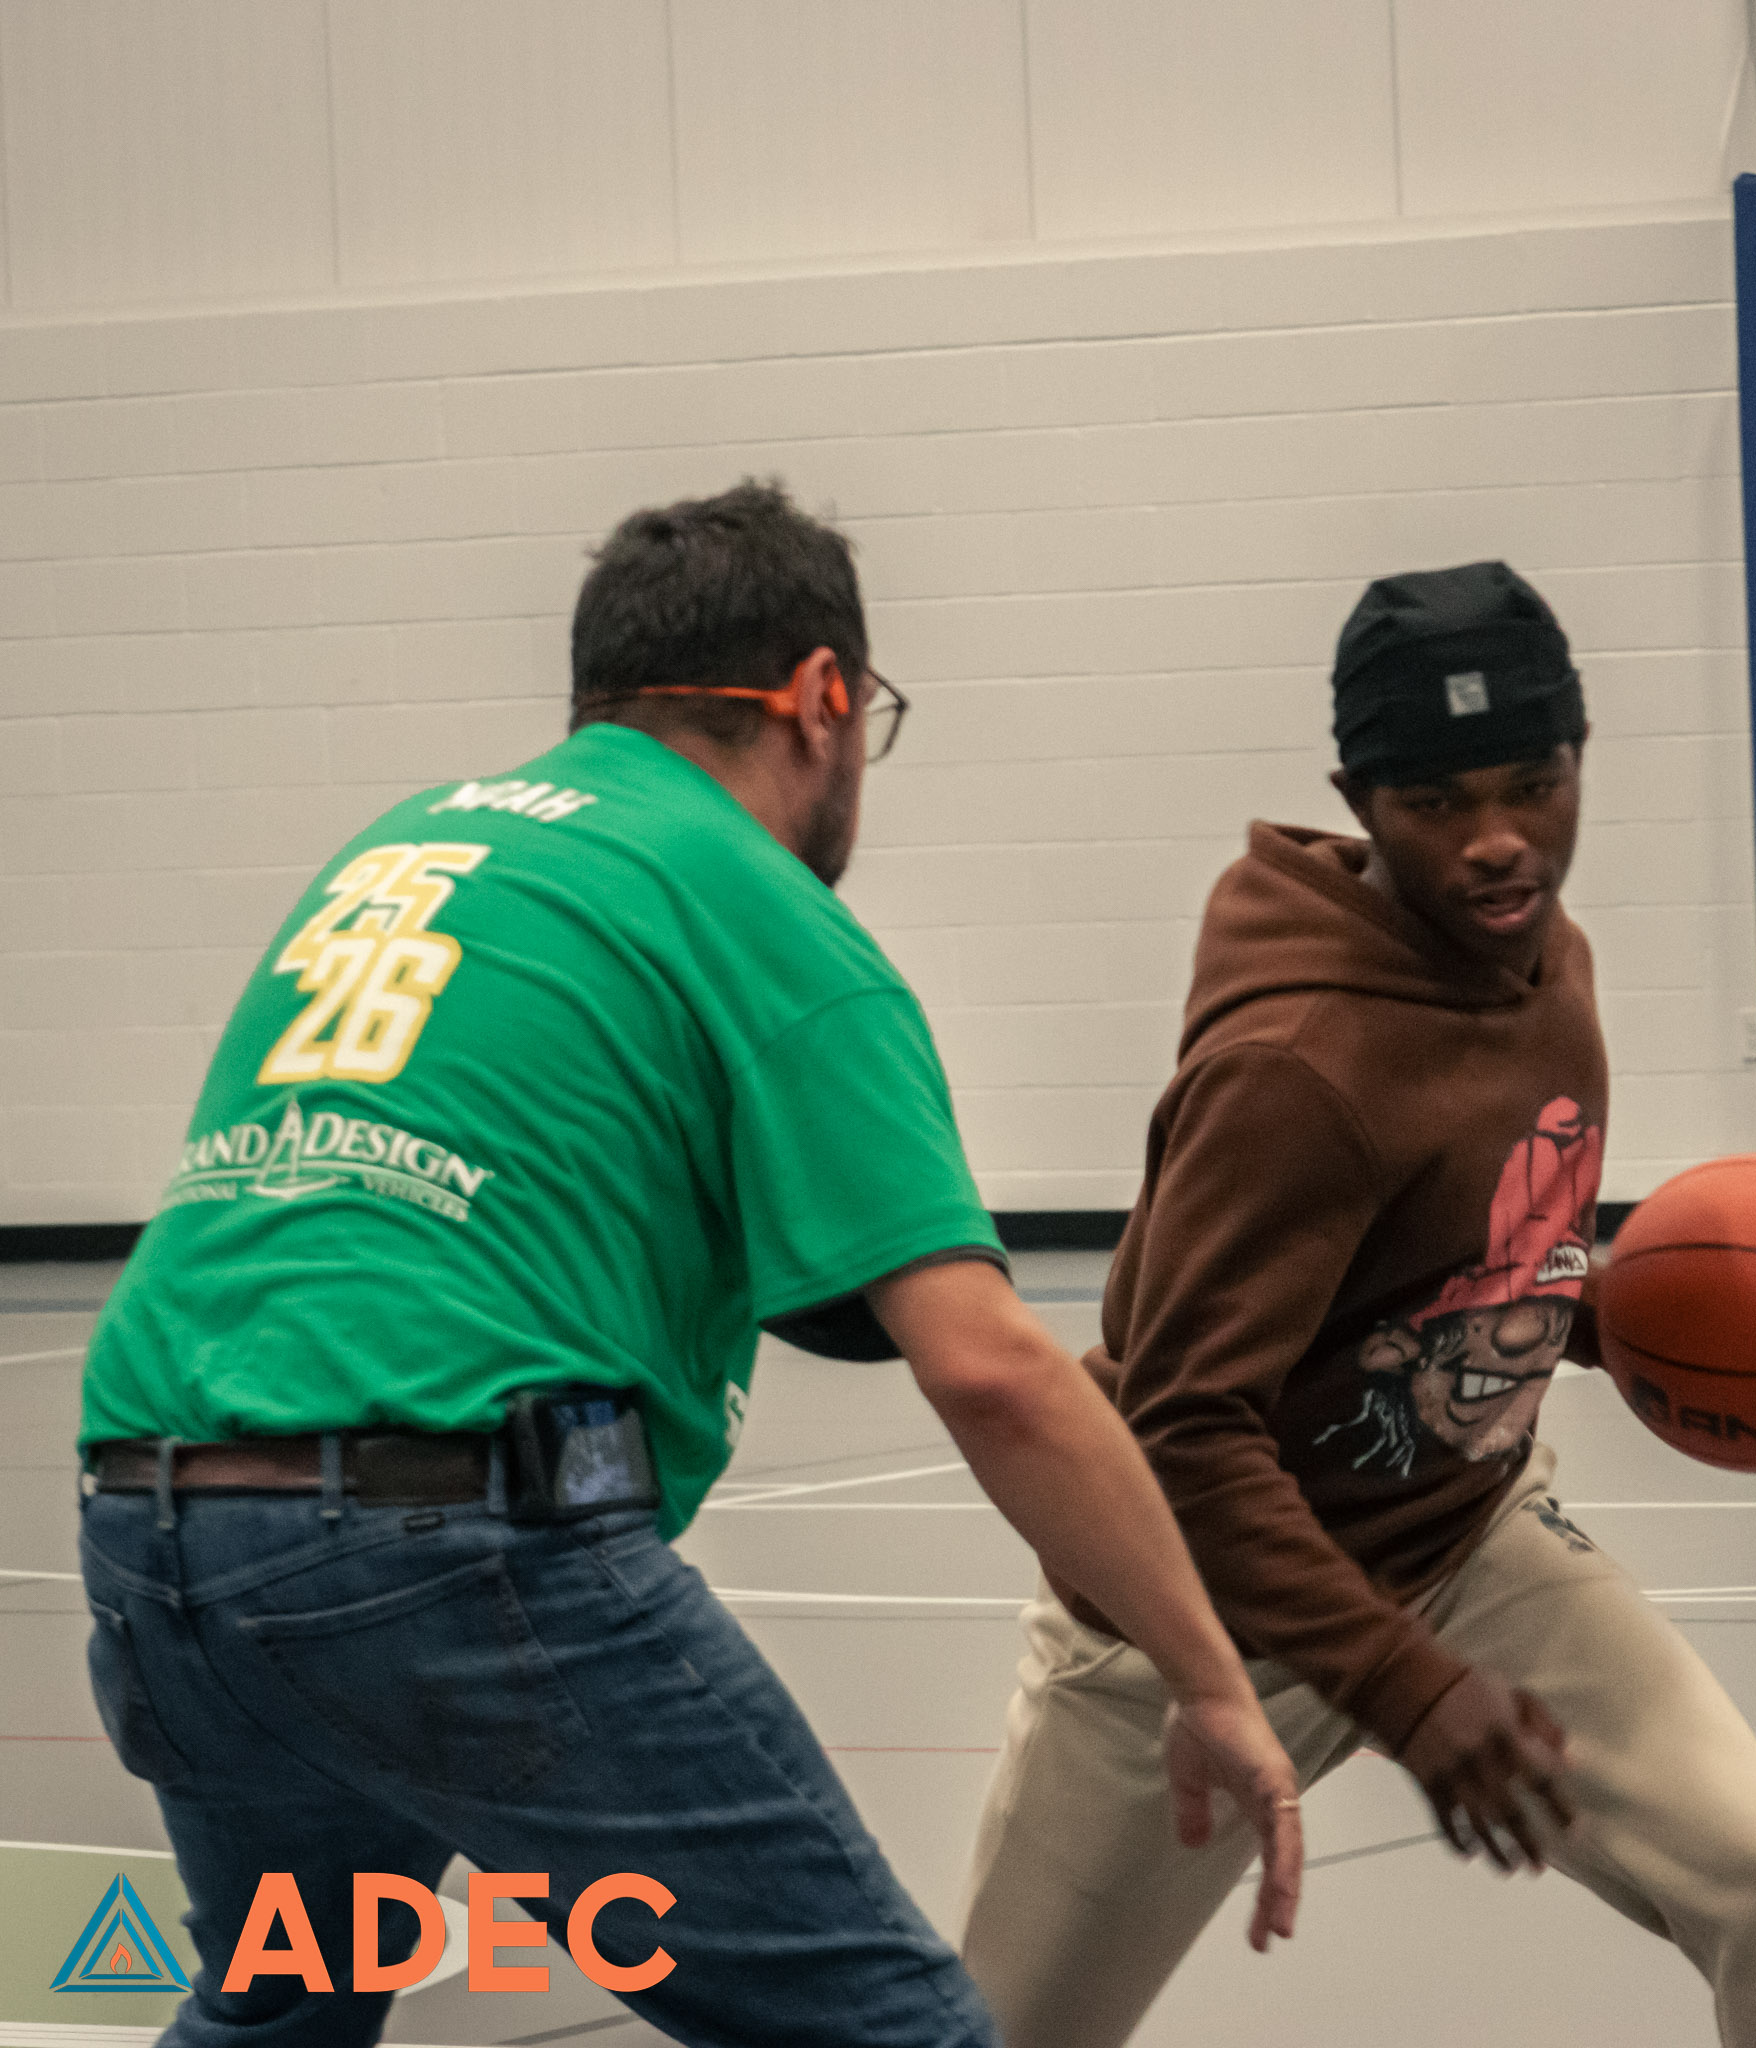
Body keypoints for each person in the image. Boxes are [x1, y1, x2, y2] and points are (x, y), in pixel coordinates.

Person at [76, 481, 1303, 2048]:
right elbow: (991, 1369)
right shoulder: (753, 902)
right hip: (443, 1551)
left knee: (279, 2015)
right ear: (822, 695)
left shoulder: (406, 849)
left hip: (157, 1532)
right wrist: (1208, 1676)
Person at [957, 561, 1756, 2048]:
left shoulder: (1549, 966)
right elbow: (1186, 1433)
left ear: (1581, 759)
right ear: (1359, 800)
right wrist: (1404, 1686)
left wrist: (1616, 1316)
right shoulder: (1295, 1073)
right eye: (1439, 802)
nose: (1499, 839)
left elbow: (1466, 1259)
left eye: (1534, 784)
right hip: (1199, 1624)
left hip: (1463, 1540)